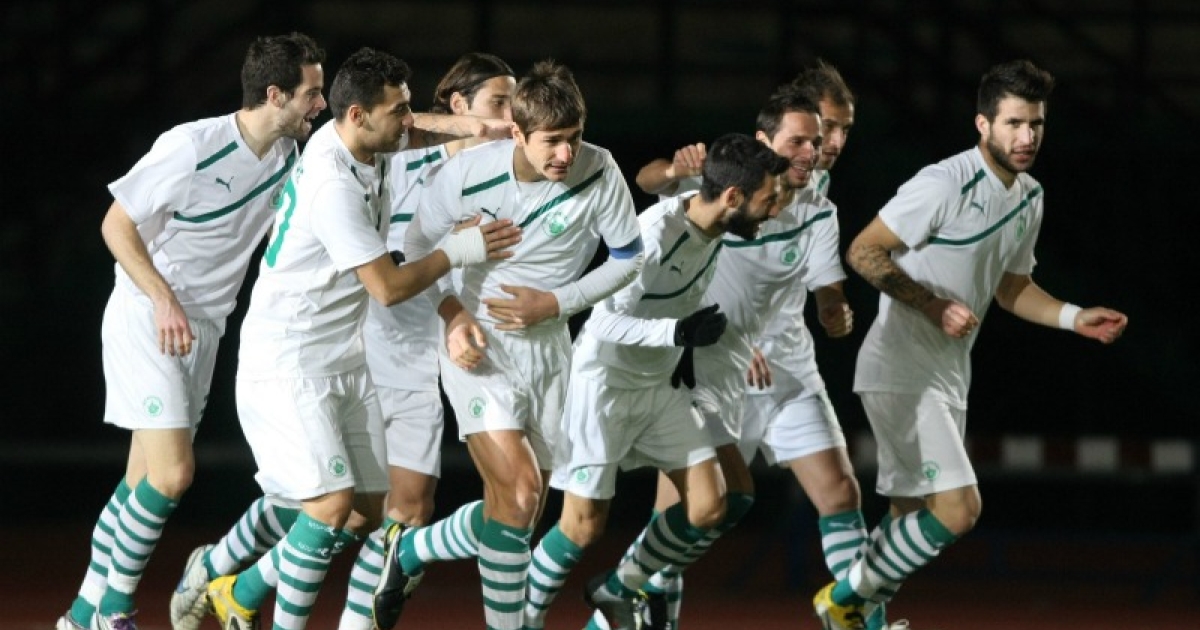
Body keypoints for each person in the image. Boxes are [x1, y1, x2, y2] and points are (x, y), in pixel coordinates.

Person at [166, 53, 518, 630]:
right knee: (327, 507)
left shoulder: (363, 142)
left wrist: (479, 127)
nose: (408, 120)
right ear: (359, 115)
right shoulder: (333, 186)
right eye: (399, 110)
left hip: (344, 356)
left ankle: (235, 585)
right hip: (291, 361)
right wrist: (460, 250)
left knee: (363, 515)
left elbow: (413, 134)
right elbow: (387, 288)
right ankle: (250, 597)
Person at [813, 59, 1128, 630]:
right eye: (1013, 123)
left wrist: (1074, 317)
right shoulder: (944, 182)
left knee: (908, 515)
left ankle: (862, 620)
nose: (1027, 136)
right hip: (901, 367)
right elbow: (863, 250)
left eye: (1035, 124)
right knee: (959, 510)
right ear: (983, 125)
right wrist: (930, 304)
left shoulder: (1029, 196)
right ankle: (841, 599)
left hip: (949, 373)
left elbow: (1011, 288)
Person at [54, 31, 328, 630]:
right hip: (150, 318)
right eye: (311, 93)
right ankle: (114, 612)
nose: (321, 104)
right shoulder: (191, 146)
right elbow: (115, 225)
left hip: (203, 328)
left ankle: (79, 616)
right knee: (173, 474)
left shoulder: (289, 157)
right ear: (274, 94)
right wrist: (163, 300)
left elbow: (378, 128)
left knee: (140, 482)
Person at [372, 59, 645, 630]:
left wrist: (557, 303)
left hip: (549, 348)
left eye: (574, 138)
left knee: (518, 512)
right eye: (552, 141)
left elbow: (628, 257)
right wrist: (451, 314)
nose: (566, 154)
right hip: (479, 346)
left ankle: (412, 550)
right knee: (520, 494)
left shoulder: (599, 169)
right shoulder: (469, 173)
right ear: (517, 133)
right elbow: (415, 251)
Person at [522, 133, 788, 630]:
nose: (776, 209)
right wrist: (677, 333)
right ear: (733, 197)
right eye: (769, 199)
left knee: (712, 504)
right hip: (603, 387)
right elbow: (603, 320)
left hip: (658, 388)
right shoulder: (655, 234)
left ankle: (617, 589)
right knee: (581, 528)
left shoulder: (712, 223)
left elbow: (677, 289)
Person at [337, 51, 517, 630]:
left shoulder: (508, 176)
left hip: (429, 355)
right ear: (460, 106)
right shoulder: (401, 158)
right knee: (335, 512)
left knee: (411, 510)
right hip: (365, 345)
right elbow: (394, 262)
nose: (511, 116)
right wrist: (451, 300)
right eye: (500, 102)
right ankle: (229, 572)